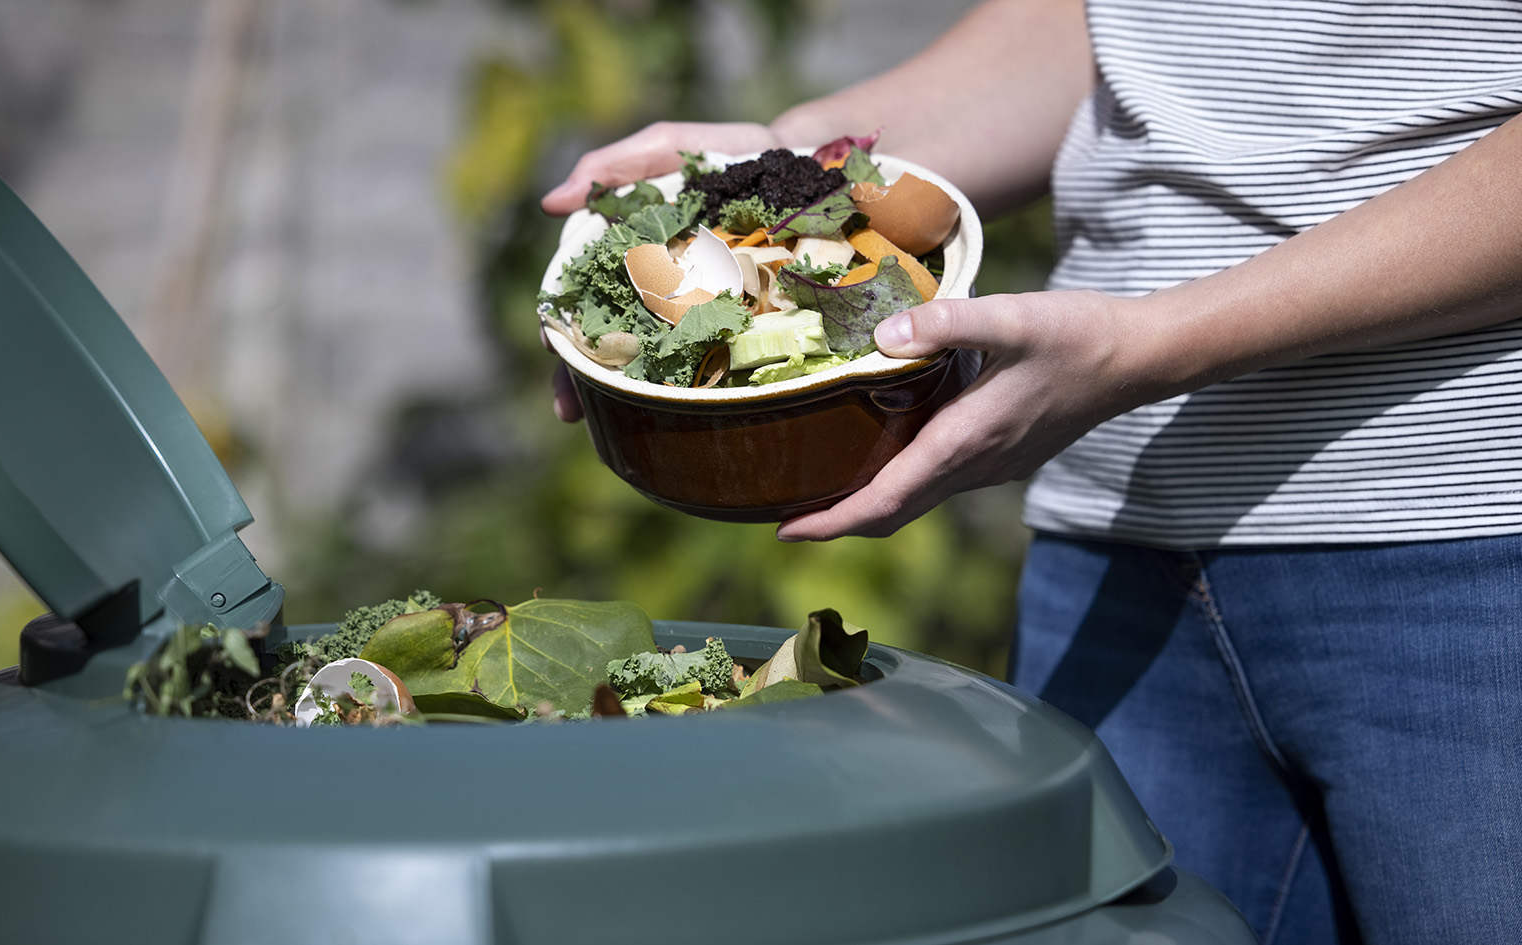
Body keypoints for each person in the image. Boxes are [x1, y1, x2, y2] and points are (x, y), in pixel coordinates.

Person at [539, 1, 1522, 942]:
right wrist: (779, 169)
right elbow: (1121, 28)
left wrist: (1154, 341)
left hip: (1467, 554)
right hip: (1118, 554)